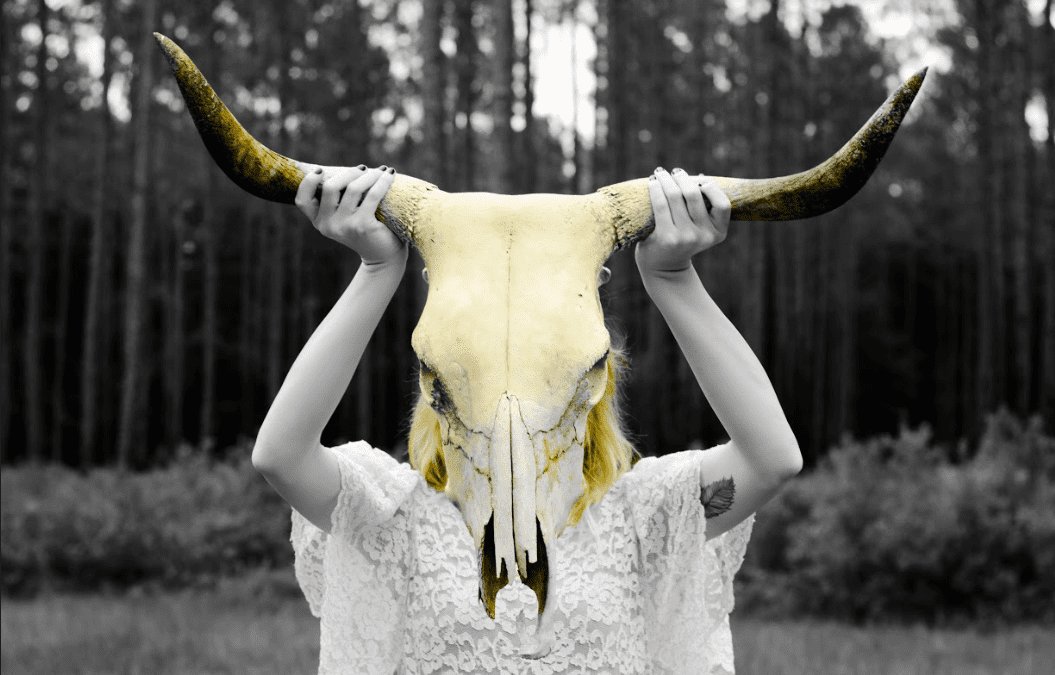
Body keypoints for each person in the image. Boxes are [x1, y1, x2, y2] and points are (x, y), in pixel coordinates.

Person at [251, 165, 803, 674]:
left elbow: (771, 459)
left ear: (594, 378)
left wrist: (674, 277)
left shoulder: (642, 520)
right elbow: (282, 456)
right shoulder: (394, 517)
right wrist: (377, 270)